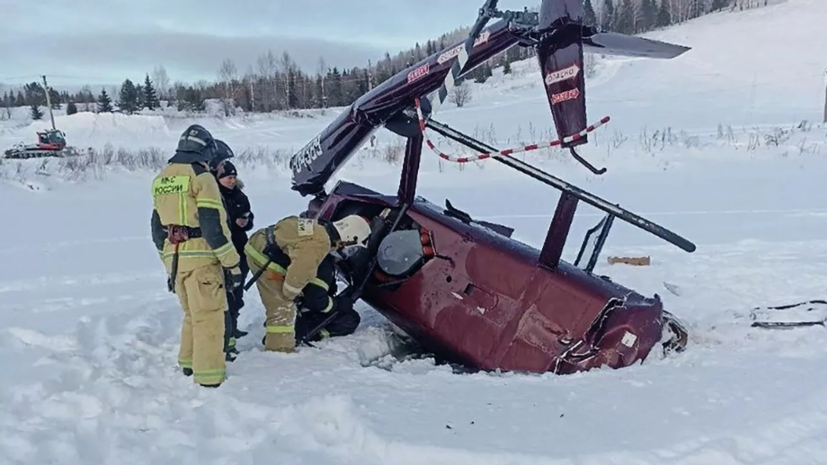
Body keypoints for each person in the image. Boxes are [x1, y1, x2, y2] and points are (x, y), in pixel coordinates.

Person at [150, 124, 243, 388]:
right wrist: (231, 263)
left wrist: (167, 261)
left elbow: (157, 228)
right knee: (210, 317)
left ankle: (188, 363)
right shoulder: (202, 177)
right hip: (202, 258)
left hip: (175, 258)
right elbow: (213, 225)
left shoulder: (162, 178)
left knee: (192, 314)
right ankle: (209, 376)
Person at [244, 214, 371, 353]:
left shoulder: (318, 228)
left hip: (259, 242)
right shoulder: (319, 244)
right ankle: (278, 351)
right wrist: (292, 296)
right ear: (346, 239)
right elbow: (299, 274)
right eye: (350, 249)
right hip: (264, 259)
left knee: (287, 302)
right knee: (283, 311)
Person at [213, 155, 255, 357]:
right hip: (223, 250)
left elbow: (250, 217)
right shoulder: (213, 196)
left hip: (241, 248)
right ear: (218, 179)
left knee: (238, 292)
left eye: (233, 176)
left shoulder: (241, 196)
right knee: (227, 294)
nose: (231, 180)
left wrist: (245, 223)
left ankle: (234, 326)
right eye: (227, 177)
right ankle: (225, 336)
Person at [293, 254, 361, 343]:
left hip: (299, 309)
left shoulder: (319, 260)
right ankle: (315, 334)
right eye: (340, 244)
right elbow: (316, 301)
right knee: (351, 319)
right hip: (305, 312)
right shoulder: (325, 267)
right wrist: (339, 304)